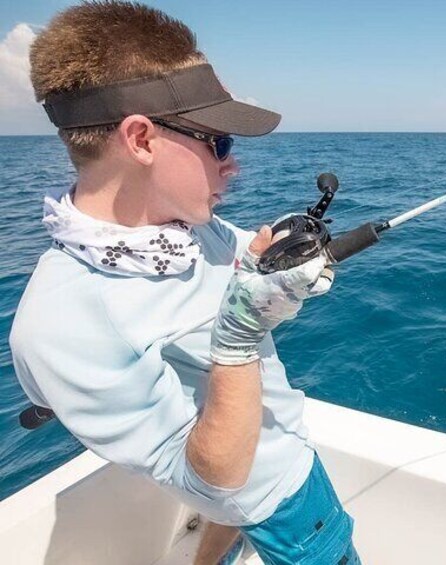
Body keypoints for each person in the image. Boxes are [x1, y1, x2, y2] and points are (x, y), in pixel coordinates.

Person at [9, 3, 359, 564]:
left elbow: (246, 252)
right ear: (141, 139)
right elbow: (214, 482)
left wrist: (285, 261)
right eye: (218, 141)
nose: (233, 165)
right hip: (280, 496)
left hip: (267, 455)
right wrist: (241, 333)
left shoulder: (182, 225)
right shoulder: (59, 325)